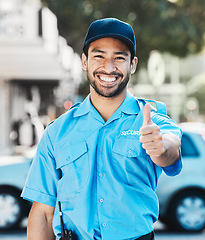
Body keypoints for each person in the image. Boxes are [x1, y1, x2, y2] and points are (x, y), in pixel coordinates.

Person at [21, 18, 182, 240]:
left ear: (132, 64)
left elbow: (172, 149)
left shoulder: (152, 122)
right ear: (85, 61)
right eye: (99, 56)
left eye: (119, 57)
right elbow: (42, 214)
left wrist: (161, 148)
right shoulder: (56, 132)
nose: (109, 67)